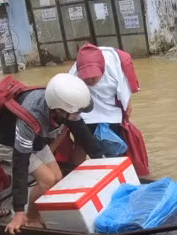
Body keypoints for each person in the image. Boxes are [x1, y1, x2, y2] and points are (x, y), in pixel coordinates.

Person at [0, 73, 105, 234]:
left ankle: (39, 211)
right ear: (59, 109)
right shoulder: (31, 116)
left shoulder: (63, 106)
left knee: (57, 177)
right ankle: (30, 218)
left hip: (36, 139)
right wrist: (19, 211)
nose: (77, 115)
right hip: (8, 143)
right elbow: (20, 164)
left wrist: (103, 161)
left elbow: (82, 133)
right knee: (47, 180)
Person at [63, 43, 149, 175]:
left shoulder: (114, 68)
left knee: (113, 147)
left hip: (110, 113)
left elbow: (127, 104)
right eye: (86, 77)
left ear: (102, 69)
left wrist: (124, 120)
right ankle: (73, 177)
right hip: (84, 114)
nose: (90, 80)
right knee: (80, 147)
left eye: (94, 76)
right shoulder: (74, 74)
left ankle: (114, 176)